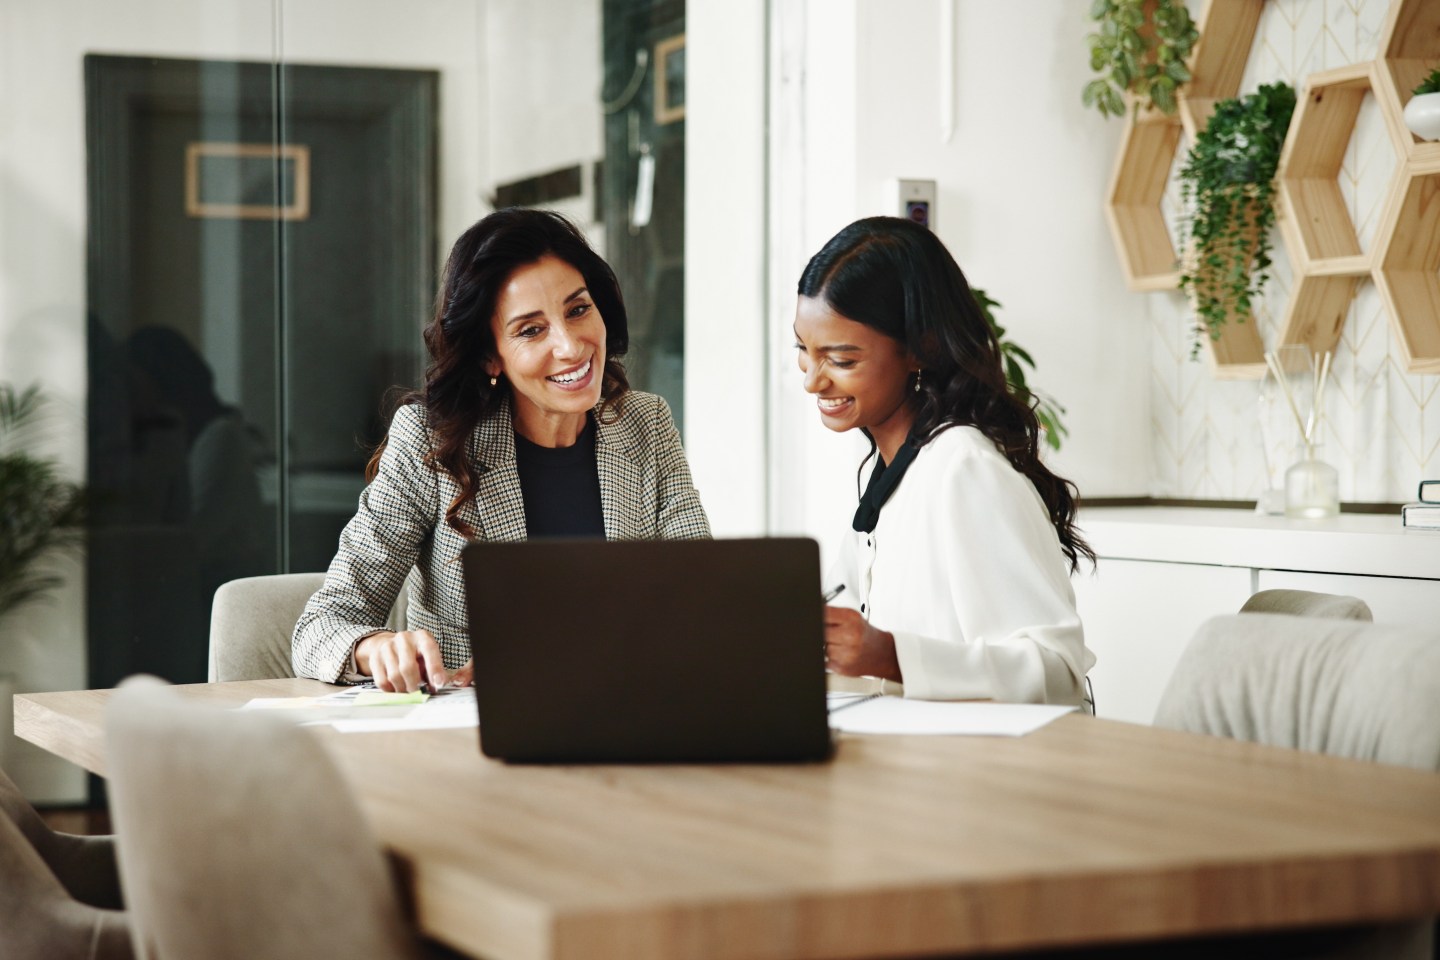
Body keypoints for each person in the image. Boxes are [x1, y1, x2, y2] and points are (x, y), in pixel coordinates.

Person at [292, 208, 710, 691]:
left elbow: (697, 605)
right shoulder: (431, 443)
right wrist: (377, 648)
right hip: (474, 743)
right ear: (491, 355)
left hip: (623, 723)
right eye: (531, 330)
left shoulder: (646, 424)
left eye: (578, 310)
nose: (572, 347)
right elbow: (321, 625)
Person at [794, 216, 1094, 705]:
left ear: (920, 349)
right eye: (803, 351)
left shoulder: (964, 469)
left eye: (842, 360)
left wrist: (889, 655)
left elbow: (1057, 673)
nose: (812, 380)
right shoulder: (887, 474)